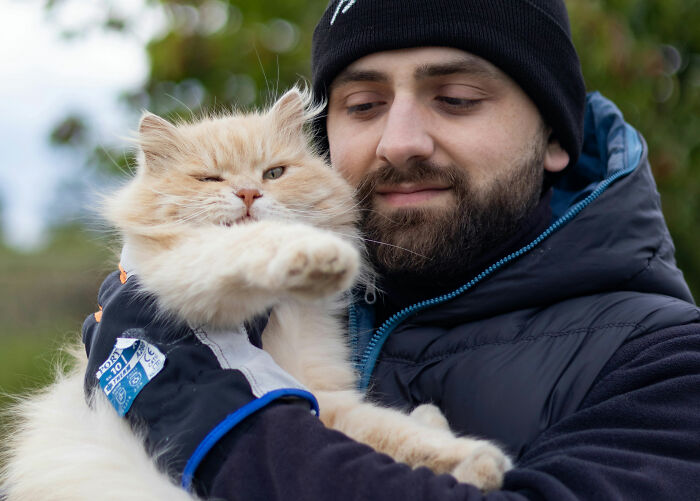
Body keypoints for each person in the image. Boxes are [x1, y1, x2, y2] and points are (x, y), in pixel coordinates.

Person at [5, 0, 700, 500]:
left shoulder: (668, 363)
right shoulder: (332, 298)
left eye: (455, 98)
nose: (400, 140)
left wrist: (214, 422)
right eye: (363, 106)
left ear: (558, 136)